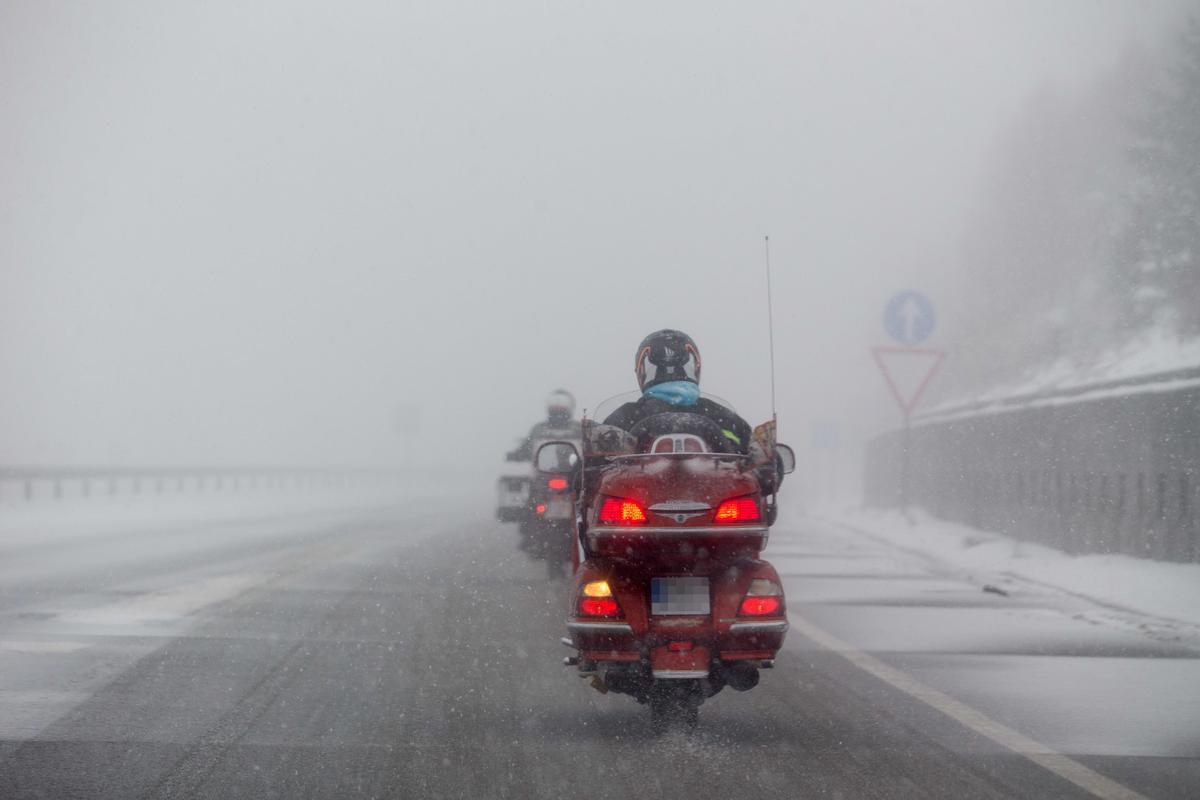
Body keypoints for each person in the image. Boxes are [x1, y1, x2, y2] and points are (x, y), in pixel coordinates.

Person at [603, 329, 753, 454]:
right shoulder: (722, 416)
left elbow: (593, 467)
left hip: (641, 481)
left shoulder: (624, 418)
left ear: (641, 371)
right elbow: (757, 460)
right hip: (713, 481)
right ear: (695, 366)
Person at [514, 389, 582, 460]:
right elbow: (526, 448)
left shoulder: (579, 429)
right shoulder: (538, 429)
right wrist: (518, 454)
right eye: (554, 410)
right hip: (543, 466)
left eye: (562, 410)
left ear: (569, 410)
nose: (558, 413)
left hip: (577, 466)